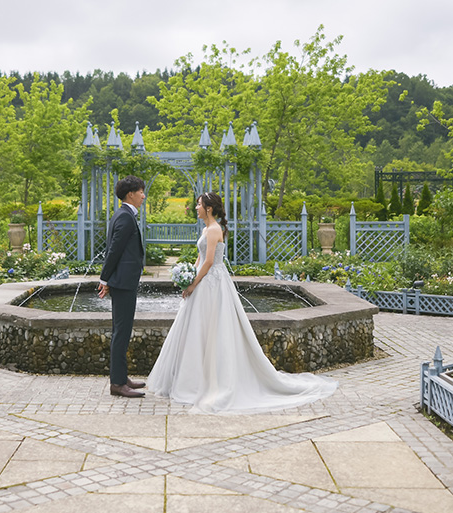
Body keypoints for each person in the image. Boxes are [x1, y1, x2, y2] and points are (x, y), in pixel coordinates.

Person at [147, 192, 338, 413]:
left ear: (209, 208)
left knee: (213, 330)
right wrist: (188, 274)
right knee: (197, 330)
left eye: (199, 205)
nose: (196, 208)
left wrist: (193, 284)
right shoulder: (205, 229)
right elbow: (200, 258)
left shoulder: (215, 229)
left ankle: (210, 382)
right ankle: (192, 379)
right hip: (203, 282)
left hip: (212, 285)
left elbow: (209, 262)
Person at [98, 175, 147, 398]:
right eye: (141, 192)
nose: (143, 196)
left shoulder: (123, 214)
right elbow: (114, 250)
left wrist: (108, 279)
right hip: (123, 282)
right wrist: (104, 278)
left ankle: (121, 376)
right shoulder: (126, 217)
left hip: (123, 281)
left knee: (122, 331)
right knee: (122, 332)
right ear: (130, 194)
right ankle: (117, 383)